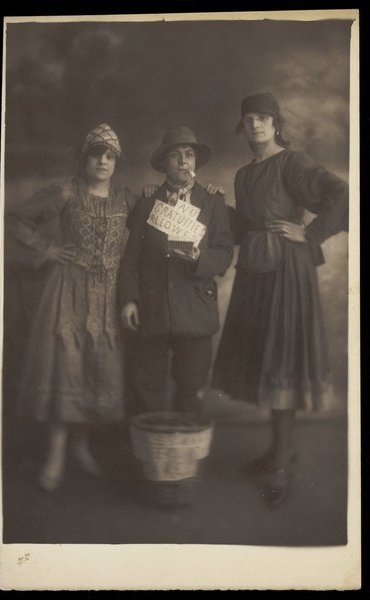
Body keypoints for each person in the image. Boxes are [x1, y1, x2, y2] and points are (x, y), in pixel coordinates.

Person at [212, 93, 349, 506]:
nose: (255, 124)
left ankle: (281, 467)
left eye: (263, 118)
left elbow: (339, 192)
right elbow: (244, 228)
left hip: (287, 273)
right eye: (248, 118)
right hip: (256, 274)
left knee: (282, 360)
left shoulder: (292, 162)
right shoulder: (243, 175)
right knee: (267, 360)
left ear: (276, 125)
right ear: (243, 127)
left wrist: (309, 234)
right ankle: (278, 450)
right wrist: (219, 207)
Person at [7, 124, 137, 491]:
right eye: (96, 154)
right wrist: (47, 250)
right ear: (85, 159)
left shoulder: (126, 199)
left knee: (96, 368)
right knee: (67, 366)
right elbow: (17, 218)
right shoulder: (67, 191)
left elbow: (159, 221)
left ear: (116, 163)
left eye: (110, 156)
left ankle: (81, 447)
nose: (103, 160)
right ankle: (56, 453)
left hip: (109, 294)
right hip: (68, 289)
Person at [119, 126, 234, 415]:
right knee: (147, 387)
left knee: (190, 389)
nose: (183, 161)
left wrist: (199, 257)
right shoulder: (148, 203)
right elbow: (131, 259)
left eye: (189, 155)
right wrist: (130, 299)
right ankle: (150, 455)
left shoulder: (212, 202)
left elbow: (224, 253)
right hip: (153, 308)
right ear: (164, 164)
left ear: (196, 163)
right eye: (175, 155)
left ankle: (182, 457)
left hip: (196, 309)